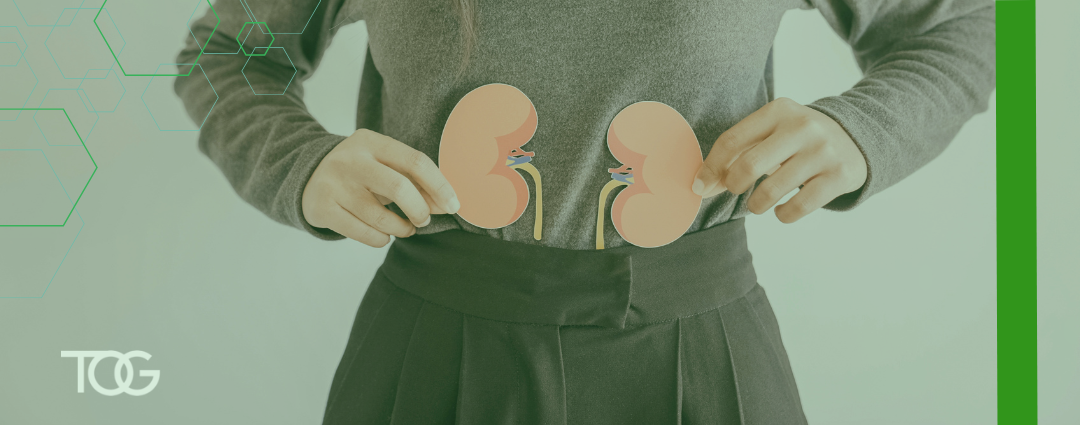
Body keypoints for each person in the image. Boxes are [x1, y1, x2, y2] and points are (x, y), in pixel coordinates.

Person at [176, 0, 995, 423]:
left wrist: (864, 130)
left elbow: (972, 30)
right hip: (435, 349)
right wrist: (300, 162)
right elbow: (224, 54)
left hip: (701, 351)